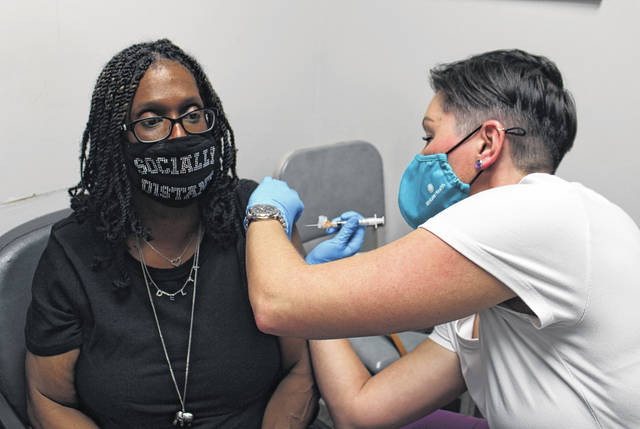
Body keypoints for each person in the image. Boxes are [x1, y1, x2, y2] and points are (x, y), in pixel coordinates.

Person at [243, 49, 640, 428]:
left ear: (486, 143)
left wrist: (265, 209)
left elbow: (276, 304)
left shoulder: (537, 213)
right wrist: (319, 277)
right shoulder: (483, 286)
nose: (424, 156)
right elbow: (360, 410)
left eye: (428, 137)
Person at [24, 39, 318, 429]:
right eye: (151, 121)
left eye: (193, 114)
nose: (180, 135)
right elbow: (48, 399)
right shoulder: (75, 251)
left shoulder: (257, 219)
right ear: (117, 139)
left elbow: (300, 369)